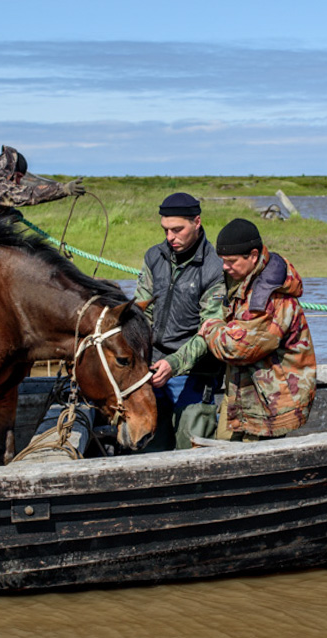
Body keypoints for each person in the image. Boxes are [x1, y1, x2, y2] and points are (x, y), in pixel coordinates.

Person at [199, 218, 316, 440]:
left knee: (251, 456)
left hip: (270, 401)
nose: (225, 267)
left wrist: (210, 327)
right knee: (223, 446)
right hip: (241, 391)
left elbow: (237, 348)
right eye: (222, 261)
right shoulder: (240, 279)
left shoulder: (271, 297)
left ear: (253, 256)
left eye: (231, 261)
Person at [134, 192, 226, 449]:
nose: (170, 238)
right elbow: (142, 313)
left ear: (197, 222)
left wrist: (173, 364)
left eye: (177, 230)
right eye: (165, 230)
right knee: (148, 445)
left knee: (191, 443)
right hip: (151, 368)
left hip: (195, 372)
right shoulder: (154, 257)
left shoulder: (215, 268)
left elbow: (209, 331)